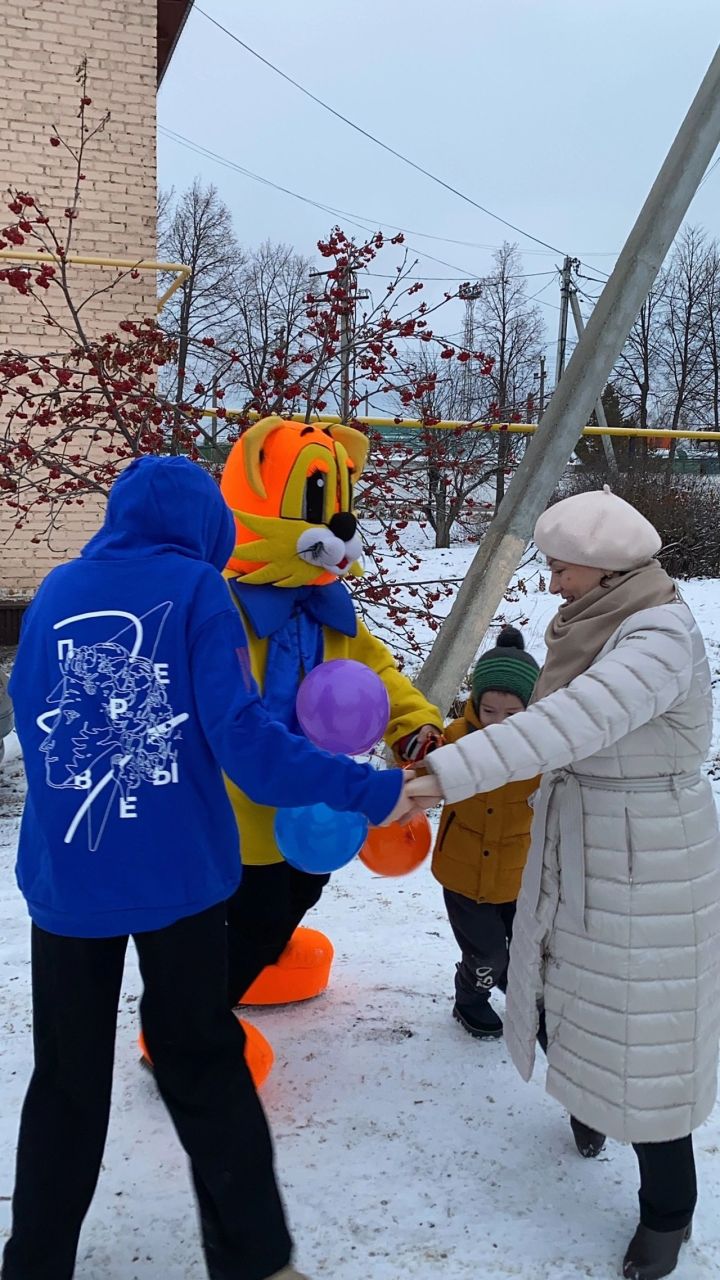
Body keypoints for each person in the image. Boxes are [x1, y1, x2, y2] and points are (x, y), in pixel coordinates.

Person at [3, 456, 413, 1280]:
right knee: (202, 1062)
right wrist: (366, 790)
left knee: (66, 1081)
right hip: (175, 877)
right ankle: (256, 1259)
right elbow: (252, 749)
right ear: (209, 526)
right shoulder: (201, 592)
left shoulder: (54, 590)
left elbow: (31, 710)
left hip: (70, 876)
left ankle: (34, 1264)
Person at [407, 487, 720, 1280]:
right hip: (585, 838)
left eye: (562, 567)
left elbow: (565, 725)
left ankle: (667, 1213)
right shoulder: (597, 624)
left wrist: (446, 774)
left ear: (609, 567)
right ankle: (588, 1102)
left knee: (645, 1034)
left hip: (647, 860)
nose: (551, 585)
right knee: (569, 988)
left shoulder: (658, 636)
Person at [219, 416, 441, 1009]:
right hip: (244, 798)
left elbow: (378, 672)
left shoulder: (330, 609)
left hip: (322, 792)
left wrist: (412, 725)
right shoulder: (224, 610)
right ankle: (188, 1024)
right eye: (319, 501)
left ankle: (258, 964)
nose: (338, 523)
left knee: (309, 882)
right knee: (256, 906)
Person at [431, 626, 539, 1038]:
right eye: (488, 711)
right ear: (475, 703)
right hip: (463, 875)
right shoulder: (455, 739)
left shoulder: (540, 750)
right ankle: (470, 998)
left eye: (511, 715)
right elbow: (425, 774)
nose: (497, 723)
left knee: (523, 950)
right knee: (487, 956)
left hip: (516, 874)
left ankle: (507, 980)